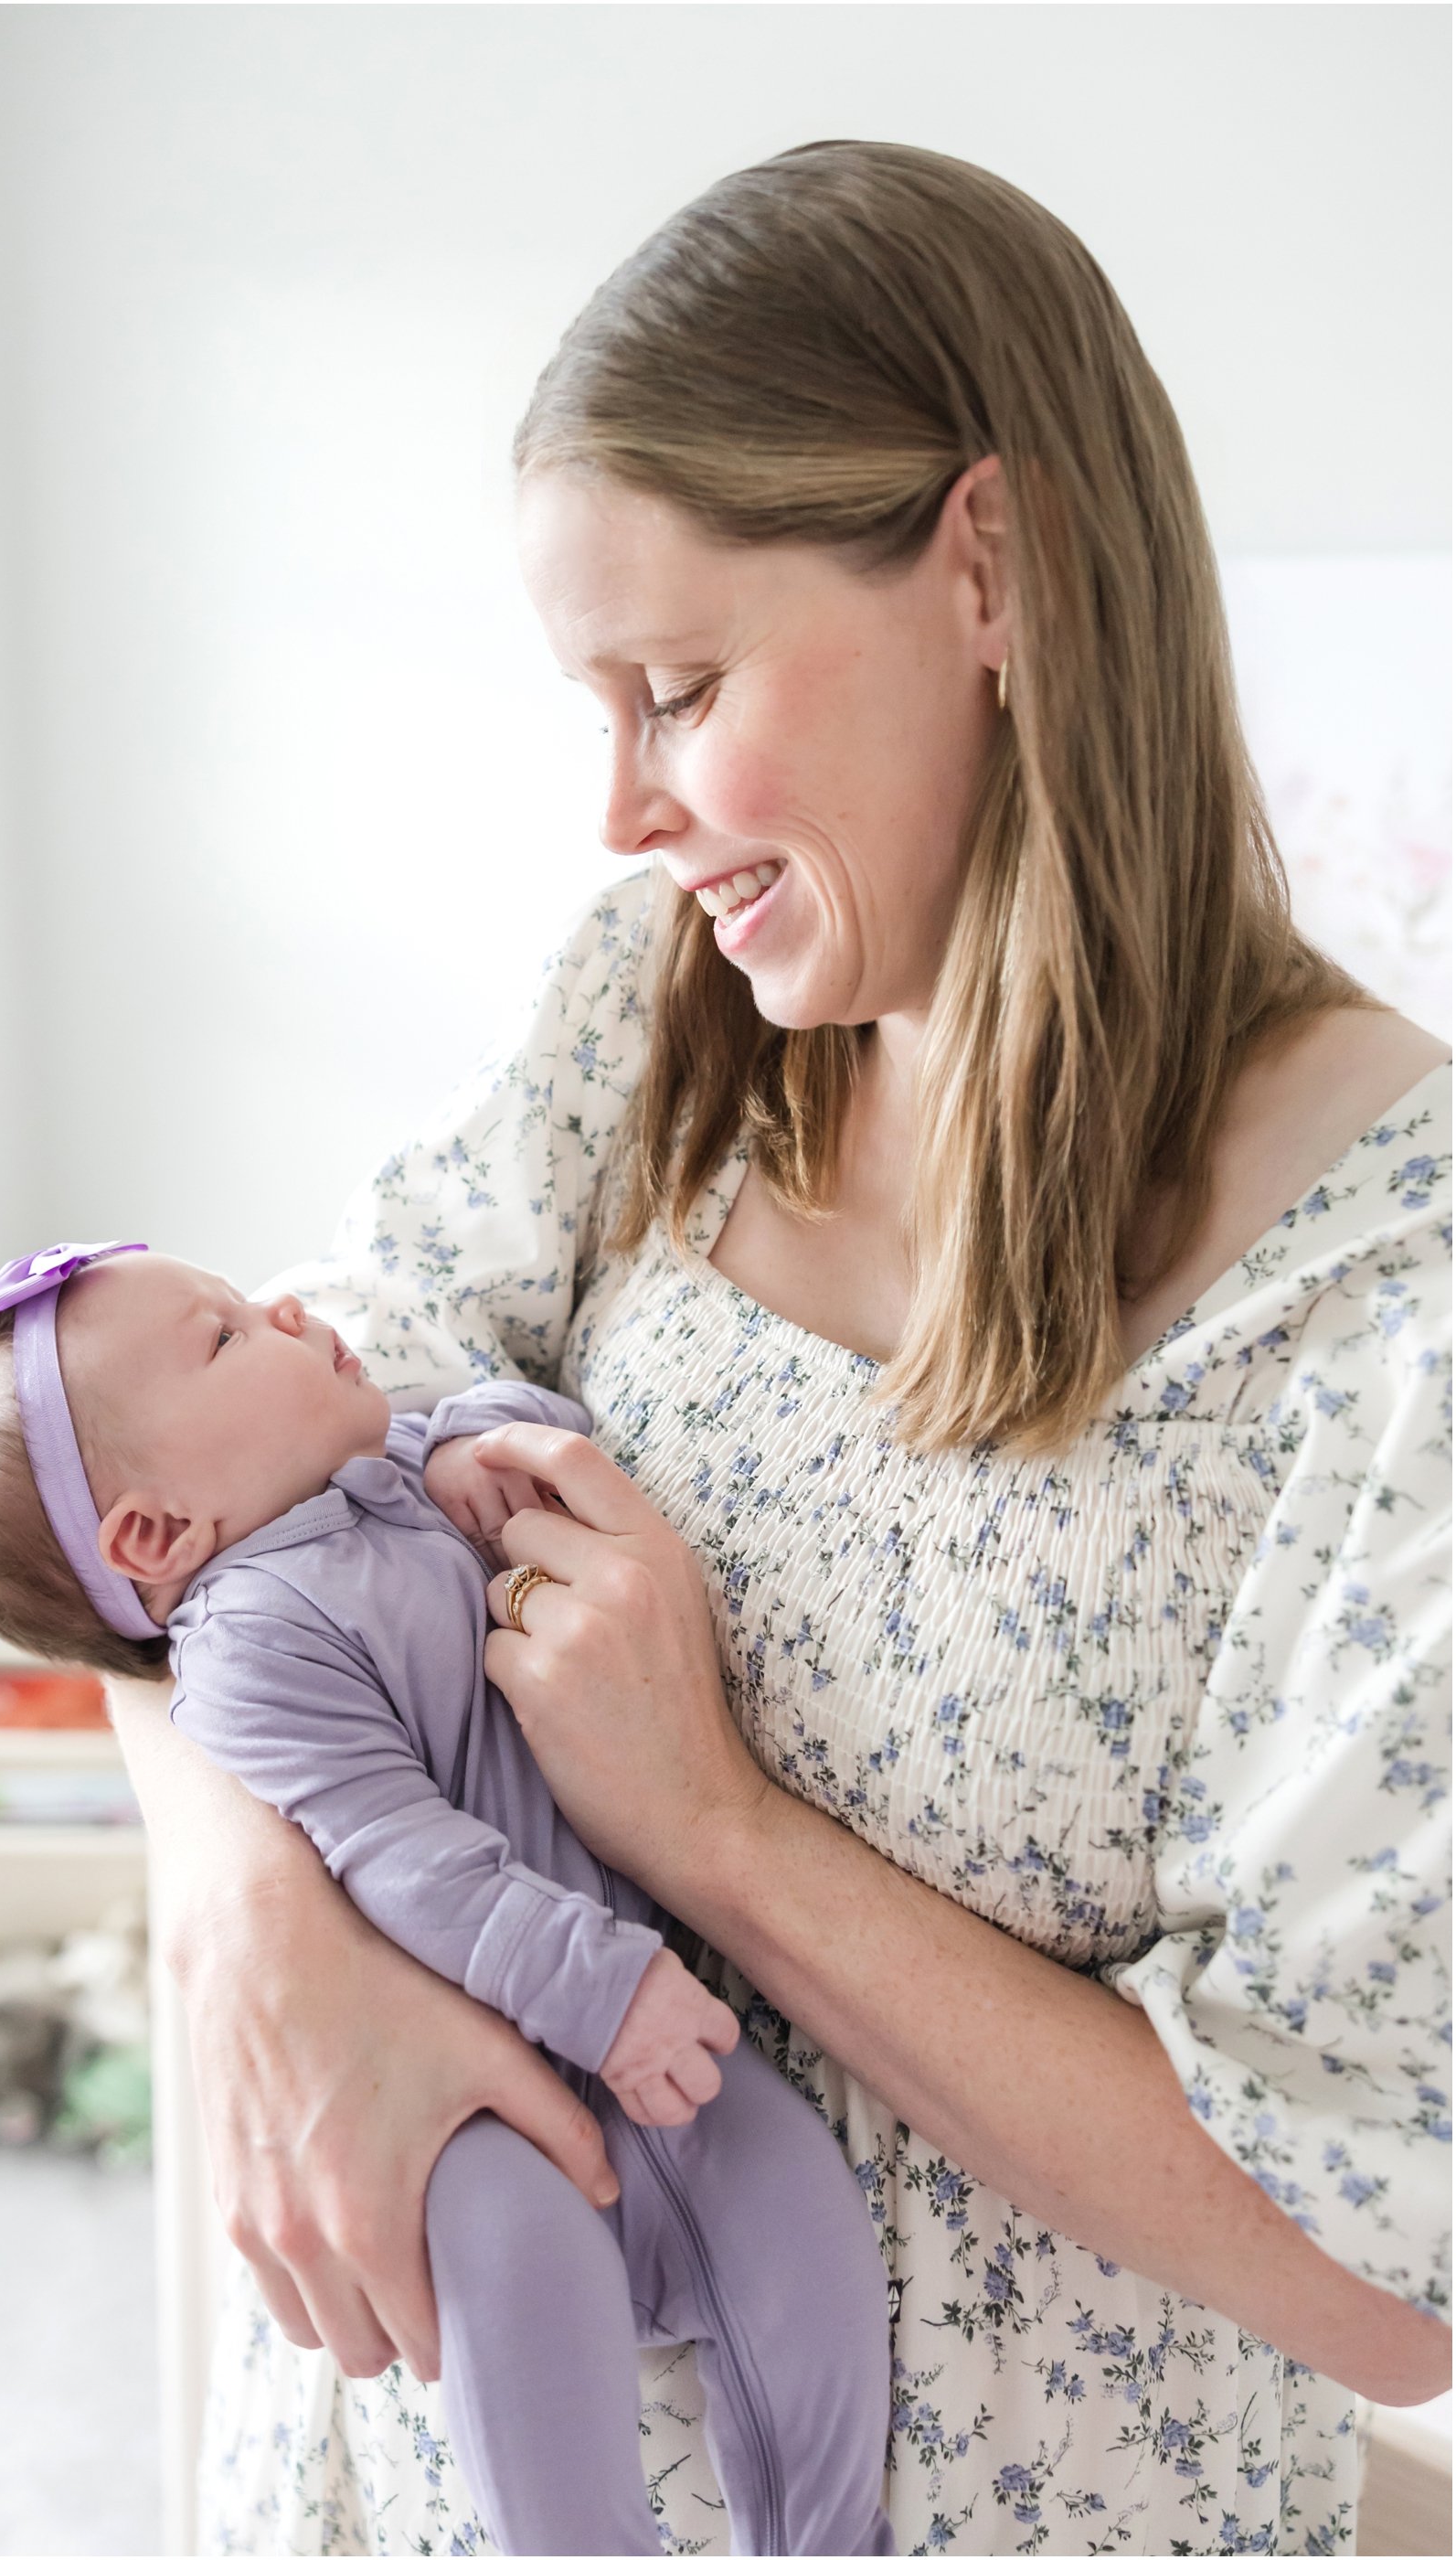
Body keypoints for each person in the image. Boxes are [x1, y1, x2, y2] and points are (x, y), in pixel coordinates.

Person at [110, 141, 1451, 2555]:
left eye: (681, 687)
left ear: (990, 565)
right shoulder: (662, 1023)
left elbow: (1380, 2261)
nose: (620, 807)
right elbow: (197, 1482)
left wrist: (709, 1824)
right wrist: (237, 1910)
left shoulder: (1383, 1299)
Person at [0, 1243, 896, 2557]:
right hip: (465, 2085)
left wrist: (477, 1449)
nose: (285, 1308)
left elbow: (541, 1420)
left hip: (645, 2037)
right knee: (520, 2264)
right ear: (155, 1532)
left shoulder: (386, 1479)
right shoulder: (252, 1642)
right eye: (223, 1336)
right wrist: (602, 1989)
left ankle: (826, 2538)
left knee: (791, 2203)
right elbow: (403, 1854)